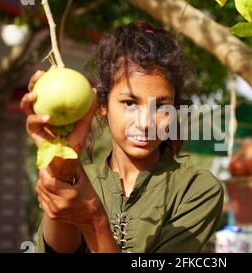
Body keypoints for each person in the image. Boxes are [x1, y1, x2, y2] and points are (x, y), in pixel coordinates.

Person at [20, 21, 224, 253]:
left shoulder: (196, 189)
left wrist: (94, 219)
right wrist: (61, 170)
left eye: (161, 106)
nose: (146, 123)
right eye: (129, 103)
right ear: (103, 104)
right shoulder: (81, 179)